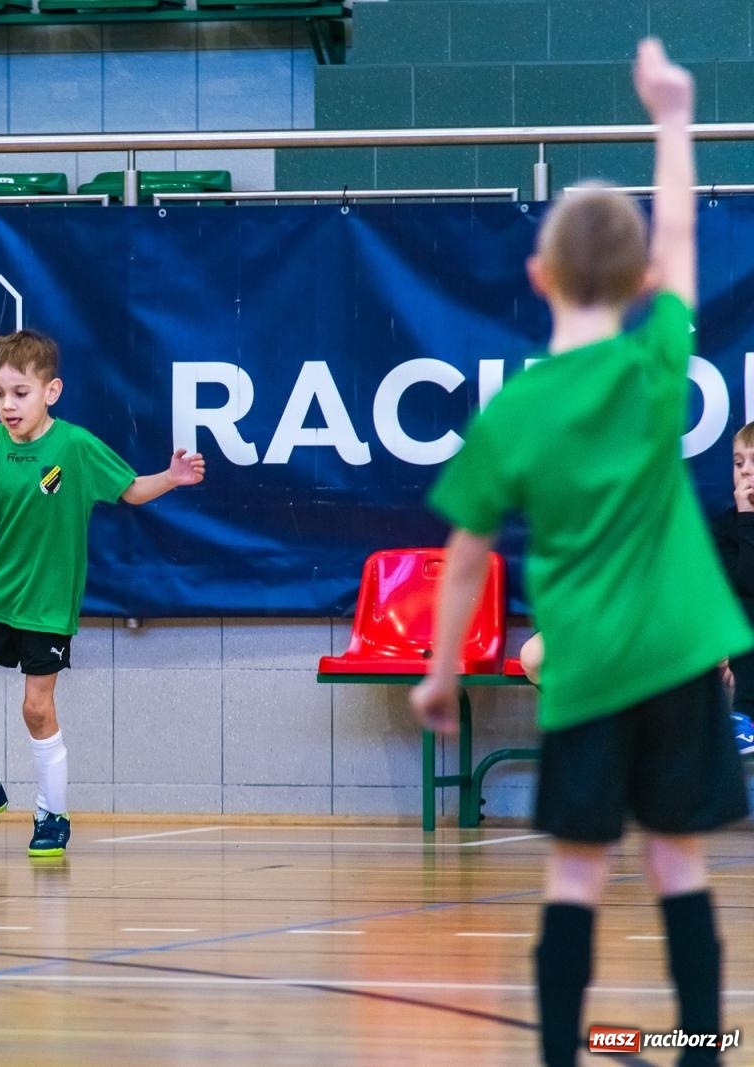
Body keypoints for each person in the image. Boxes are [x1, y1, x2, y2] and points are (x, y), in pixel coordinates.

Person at [410, 40, 750, 1067]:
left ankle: (560, 1047)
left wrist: (437, 668)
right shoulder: (656, 367)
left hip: (589, 667)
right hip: (684, 660)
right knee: (677, 864)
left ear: (536, 274)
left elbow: (465, 557)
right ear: (643, 277)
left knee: (575, 874)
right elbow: (687, 233)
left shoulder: (512, 411)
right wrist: (675, 120)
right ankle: (696, 1044)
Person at [0, 329, 205, 857]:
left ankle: (52, 816)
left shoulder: (75, 448)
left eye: (20, 393)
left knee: (36, 709)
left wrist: (170, 478)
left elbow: (130, 490)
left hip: (47, 603)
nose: (8, 405)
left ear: (51, 392)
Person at [710, 421, 754, 754]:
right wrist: (746, 515)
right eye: (739, 463)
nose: (746, 473)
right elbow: (739, 583)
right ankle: (744, 720)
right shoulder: (725, 526)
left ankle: (745, 715)